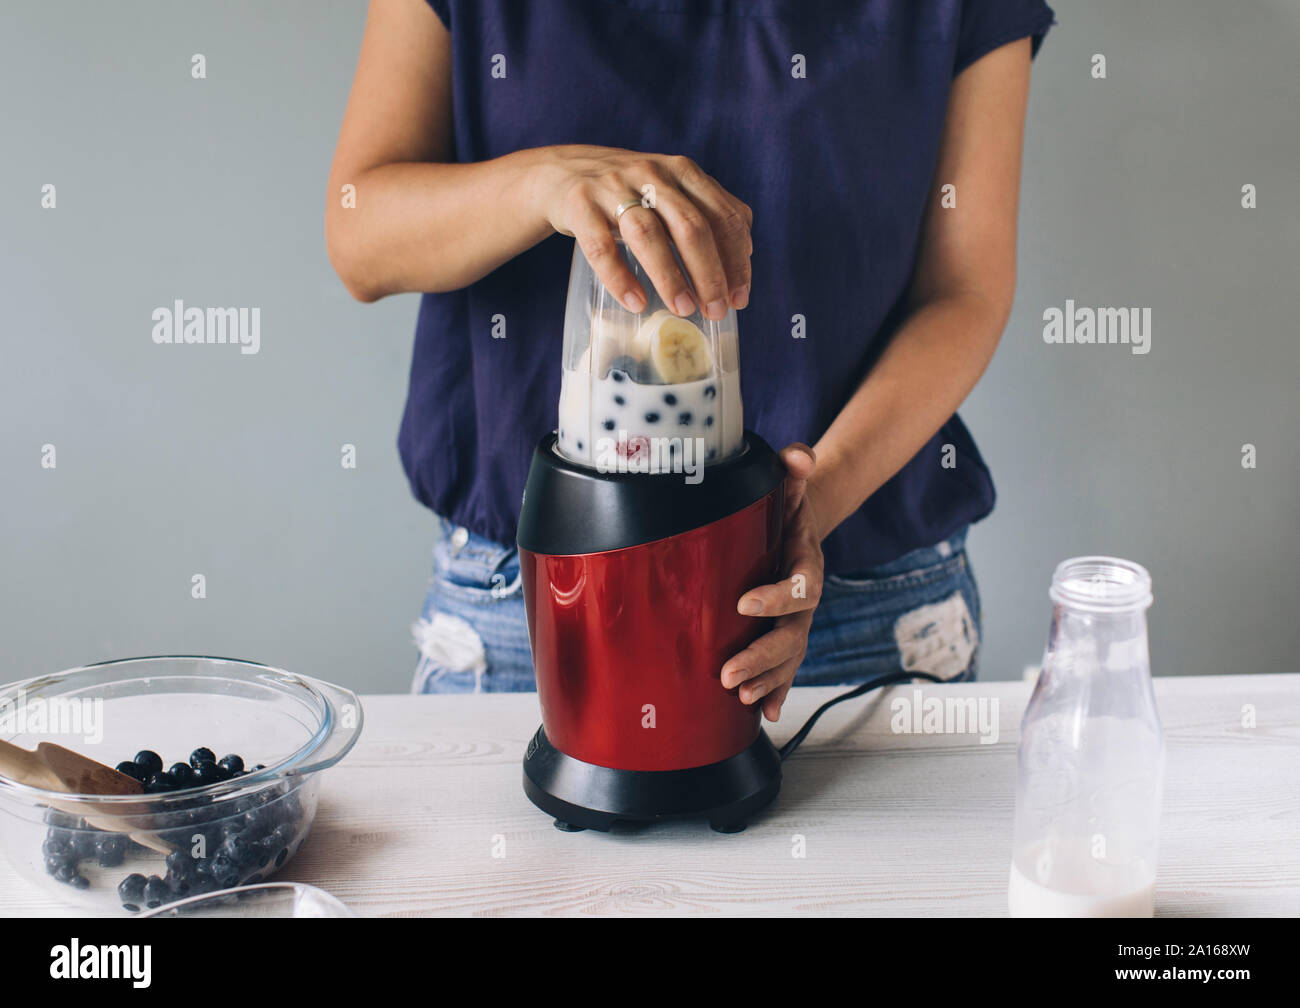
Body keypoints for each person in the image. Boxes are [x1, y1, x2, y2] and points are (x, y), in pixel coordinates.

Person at [326, 0, 1055, 720]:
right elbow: (360, 236)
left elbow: (963, 291)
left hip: (852, 596)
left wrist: (805, 511)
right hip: (529, 599)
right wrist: (541, 182)